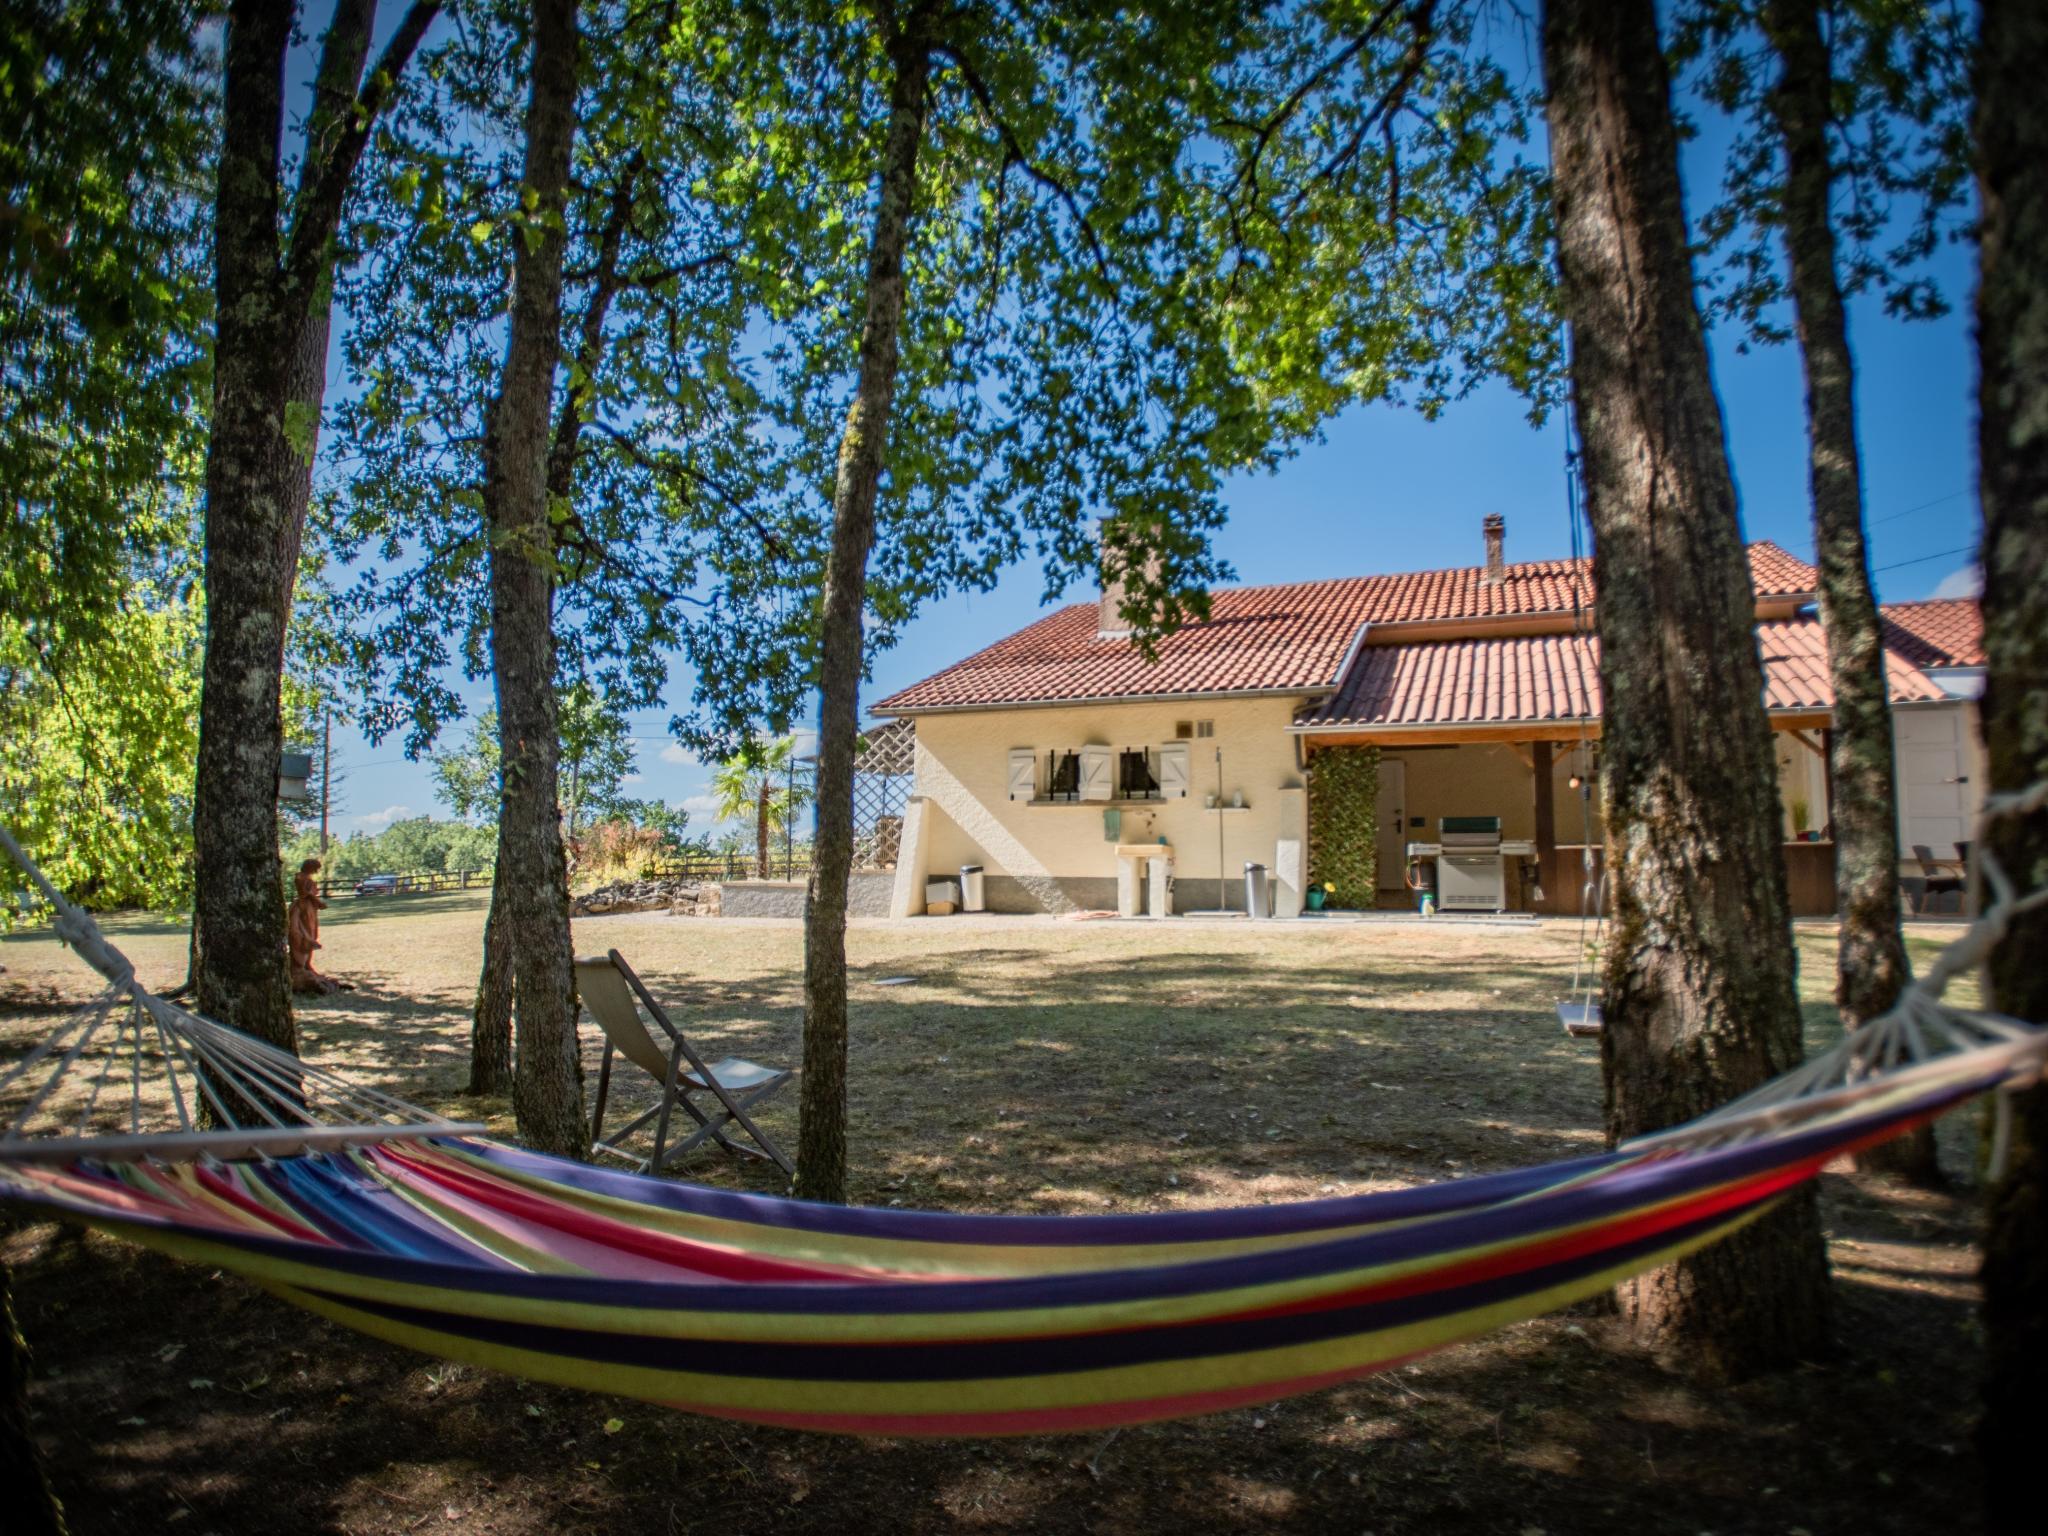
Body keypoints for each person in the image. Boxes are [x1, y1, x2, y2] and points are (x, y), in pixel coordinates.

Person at [288, 858, 346, 994]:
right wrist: (318, 902)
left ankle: (308, 963)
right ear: (309, 867)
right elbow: (304, 894)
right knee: (303, 935)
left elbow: (311, 894)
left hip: (311, 909)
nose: (317, 871)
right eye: (316, 868)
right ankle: (299, 964)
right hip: (303, 909)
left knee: (313, 934)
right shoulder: (300, 877)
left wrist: (316, 902)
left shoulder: (308, 877)